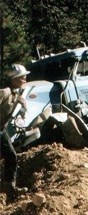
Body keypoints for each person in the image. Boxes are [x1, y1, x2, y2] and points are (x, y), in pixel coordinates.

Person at [0, 64, 29, 202]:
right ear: (14, 79)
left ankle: (9, 189)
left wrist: (24, 107)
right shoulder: (4, 92)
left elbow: (20, 100)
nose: (25, 78)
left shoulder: (15, 93)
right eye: (22, 77)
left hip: (1, 130)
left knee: (11, 156)